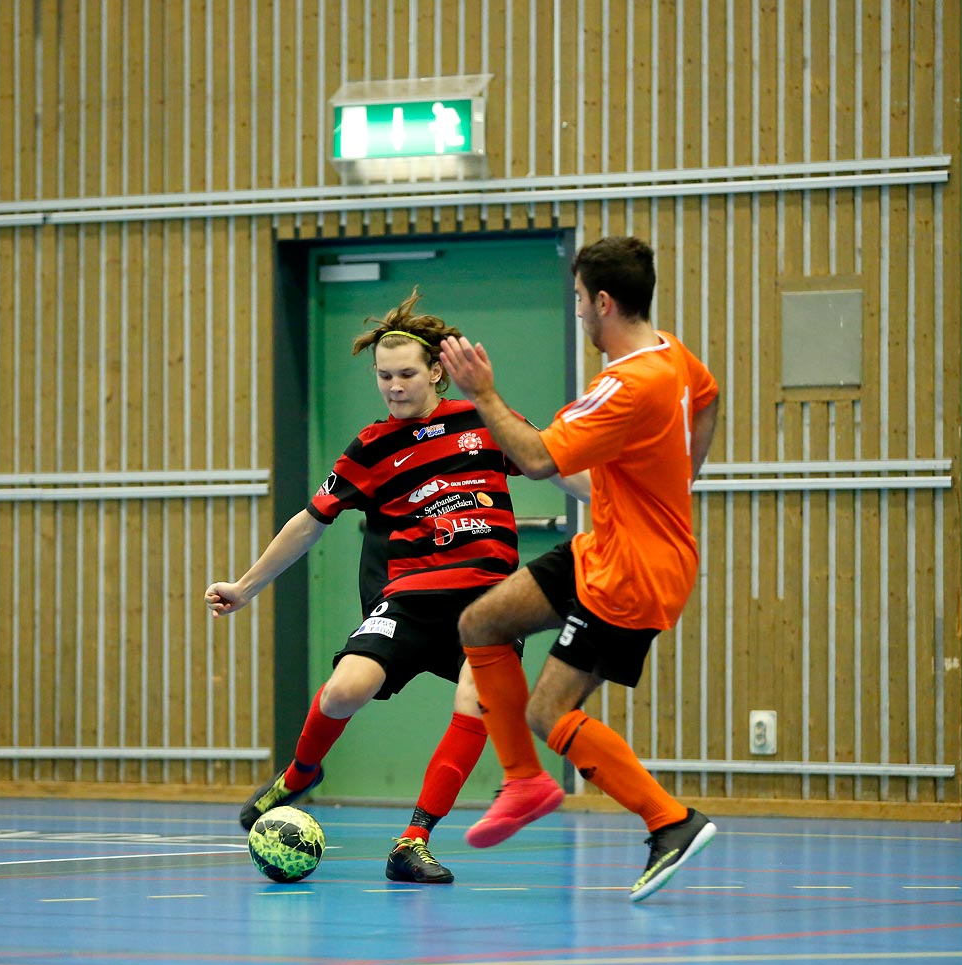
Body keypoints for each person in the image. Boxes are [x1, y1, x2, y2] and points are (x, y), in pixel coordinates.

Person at [206, 288, 589, 884]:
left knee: (476, 702)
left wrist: (635, 505)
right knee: (343, 691)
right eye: (383, 376)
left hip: (489, 599)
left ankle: (413, 841)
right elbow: (308, 523)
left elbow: (559, 467)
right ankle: (301, 775)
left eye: (406, 373)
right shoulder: (370, 447)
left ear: (437, 371)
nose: (393, 385)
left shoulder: (483, 423)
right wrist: (247, 586)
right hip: (411, 596)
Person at [439, 235, 721, 901]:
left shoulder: (628, 384)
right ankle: (524, 782)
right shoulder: (673, 355)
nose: (577, 315)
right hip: (608, 545)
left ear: (603, 302)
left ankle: (670, 822)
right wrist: (681, 479)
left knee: (549, 709)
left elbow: (538, 458)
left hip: (632, 575)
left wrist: (483, 393)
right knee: (481, 623)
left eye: (577, 302)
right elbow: (708, 400)